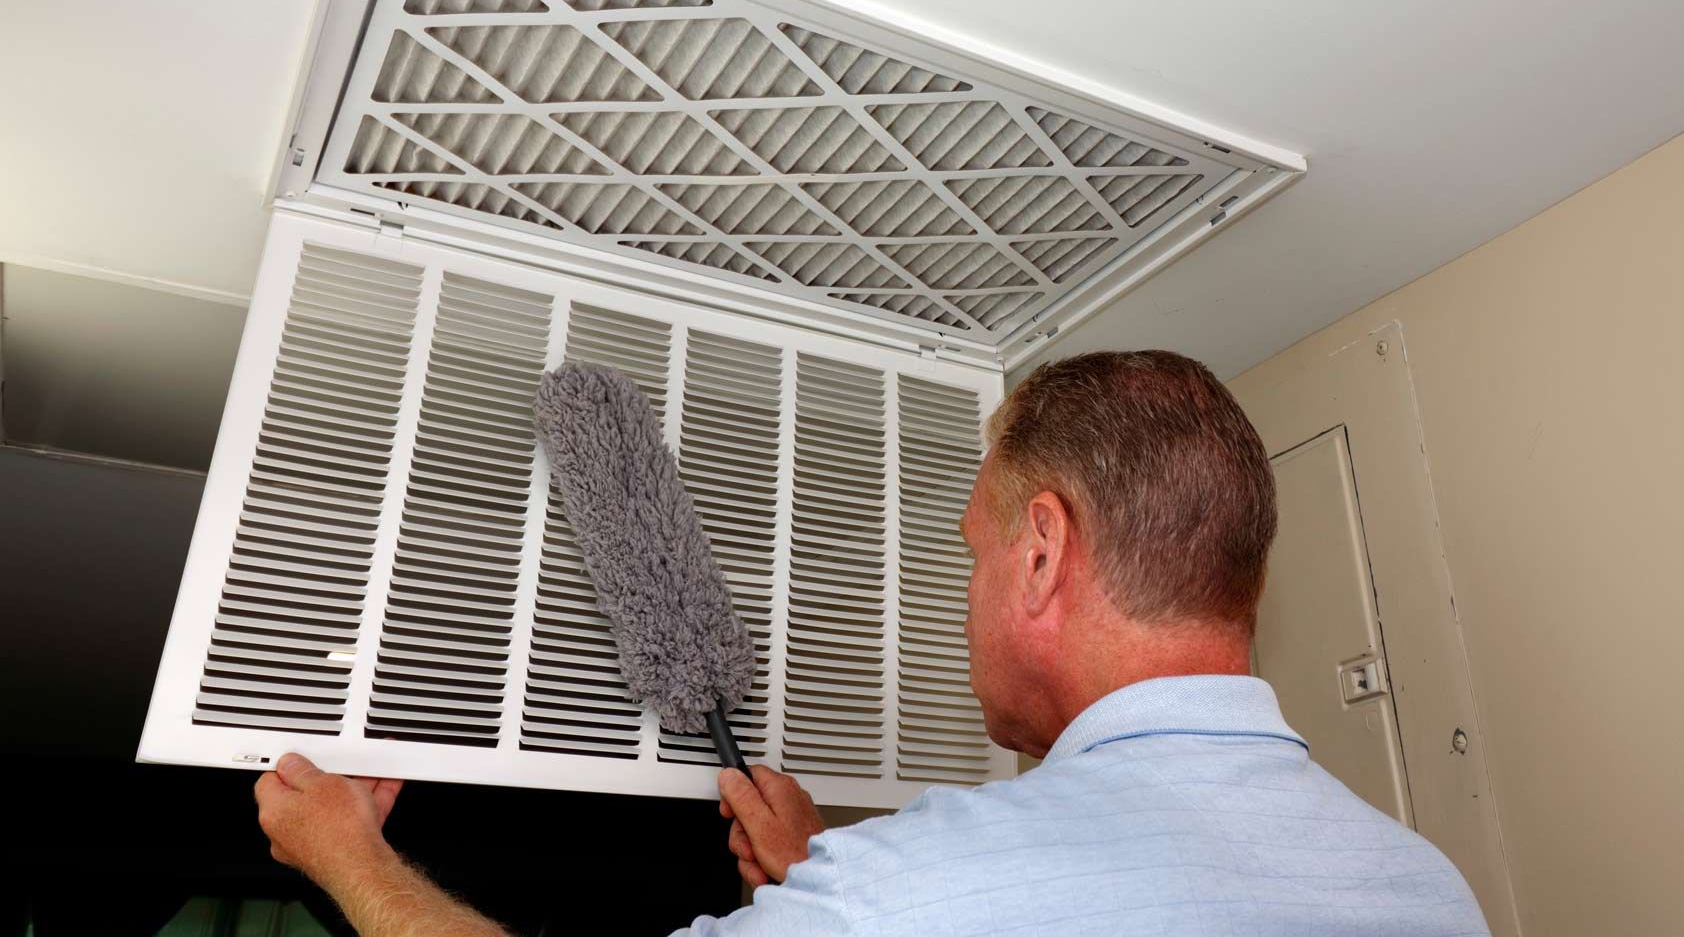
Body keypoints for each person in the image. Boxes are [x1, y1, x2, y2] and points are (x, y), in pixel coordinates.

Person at [254, 350, 1489, 935]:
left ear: (1044, 551)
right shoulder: (1427, 891)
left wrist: (349, 856)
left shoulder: (911, 892)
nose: (968, 584)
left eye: (972, 546)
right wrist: (816, 880)